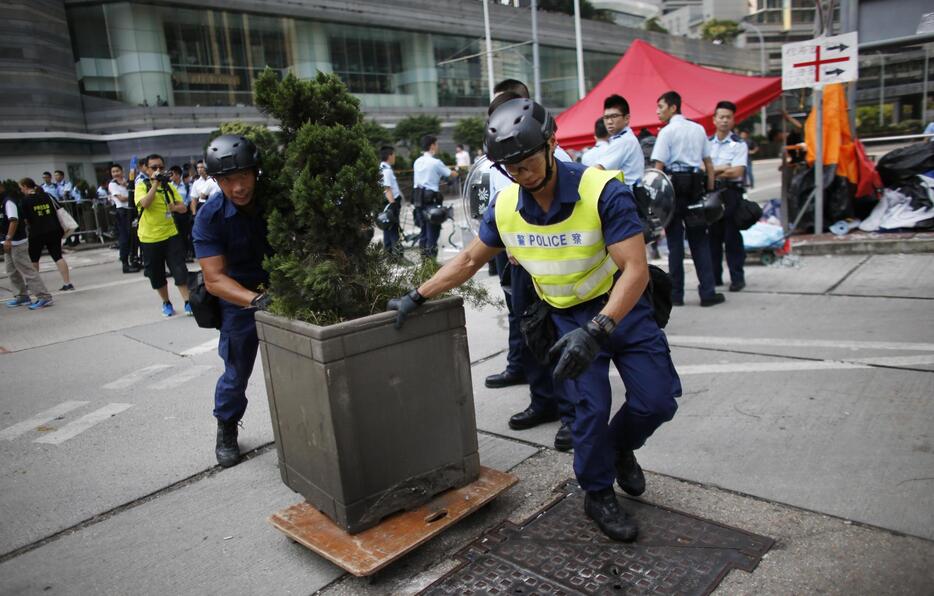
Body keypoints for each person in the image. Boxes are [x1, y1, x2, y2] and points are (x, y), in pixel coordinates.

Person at [388, 98, 681, 543]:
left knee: (657, 401)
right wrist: (415, 295)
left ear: (552, 144)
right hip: (565, 319)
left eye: (525, 163)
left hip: (622, 308)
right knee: (589, 409)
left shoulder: (603, 191)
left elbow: (636, 269)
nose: (519, 175)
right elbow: (469, 259)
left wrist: (598, 329)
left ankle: (619, 448)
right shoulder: (506, 206)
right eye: (509, 168)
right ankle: (597, 492)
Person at [485, 82, 574, 452]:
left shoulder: (556, 154)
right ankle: (543, 401)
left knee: (561, 337)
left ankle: (572, 414)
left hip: (554, 261)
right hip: (516, 260)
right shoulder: (494, 158)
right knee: (530, 331)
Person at [192, 135, 273, 468]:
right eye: (227, 180)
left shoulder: (278, 201)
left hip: (290, 285)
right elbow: (214, 279)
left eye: (243, 177)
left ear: (255, 173)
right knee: (236, 374)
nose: (237, 187)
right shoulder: (209, 218)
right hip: (241, 298)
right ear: (216, 181)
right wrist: (257, 300)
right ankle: (226, 427)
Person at [651, 91, 724, 307]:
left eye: (661, 107)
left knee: (674, 245)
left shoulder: (666, 132)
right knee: (699, 242)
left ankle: (676, 295)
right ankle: (708, 293)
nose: (658, 111)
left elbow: (658, 169)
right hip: (695, 188)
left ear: (673, 108)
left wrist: (657, 201)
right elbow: (709, 165)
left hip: (674, 189)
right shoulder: (699, 129)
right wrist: (708, 192)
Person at [135, 154, 192, 317]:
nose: (158, 170)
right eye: (154, 167)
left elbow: (183, 207)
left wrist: (173, 208)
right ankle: (166, 302)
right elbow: (144, 203)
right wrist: (154, 185)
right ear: (146, 169)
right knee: (156, 274)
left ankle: (188, 302)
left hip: (171, 235)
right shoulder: (142, 185)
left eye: (160, 167)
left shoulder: (169, 186)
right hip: (149, 237)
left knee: (179, 269)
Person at [707, 101, 748, 292]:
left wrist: (713, 171)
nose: (724, 120)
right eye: (721, 117)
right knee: (713, 237)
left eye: (728, 117)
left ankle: (737, 278)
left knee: (732, 237)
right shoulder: (706, 143)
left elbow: (737, 172)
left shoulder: (739, 144)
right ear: (714, 119)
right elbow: (701, 169)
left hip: (731, 194)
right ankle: (715, 277)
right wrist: (723, 168)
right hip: (711, 193)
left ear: (733, 120)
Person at [3, 181, 53, 310]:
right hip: (8, 242)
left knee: (27, 270)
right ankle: (22, 296)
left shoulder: (8, 202)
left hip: (17, 242)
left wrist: (8, 238)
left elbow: (13, 221)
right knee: (11, 271)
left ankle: (44, 297)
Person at [19, 178, 74, 291]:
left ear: (25, 186)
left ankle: (34, 285)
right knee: (58, 256)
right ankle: (67, 283)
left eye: (21, 188)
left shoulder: (25, 201)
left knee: (34, 259)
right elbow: (59, 209)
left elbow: (24, 219)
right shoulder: (47, 196)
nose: (21, 190)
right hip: (54, 230)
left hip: (37, 232)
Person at [412, 135, 457, 258]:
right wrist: (456, 172)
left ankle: (424, 261)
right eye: (436, 144)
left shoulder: (417, 162)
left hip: (418, 200)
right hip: (431, 200)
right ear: (432, 145)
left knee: (424, 231)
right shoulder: (436, 162)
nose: (437, 147)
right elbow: (450, 174)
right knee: (433, 231)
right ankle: (431, 261)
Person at [591, 95, 644, 187]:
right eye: (606, 117)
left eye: (614, 116)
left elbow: (598, 169)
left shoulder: (623, 141)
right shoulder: (626, 137)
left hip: (627, 195)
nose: (609, 122)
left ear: (626, 118)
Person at [109, 164, 140, 273]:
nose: (116, 173)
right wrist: (132, 195)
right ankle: (125, 264)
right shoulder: (113, 184)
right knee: (124, 239)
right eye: (113, 172)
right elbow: (122, 199)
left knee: (134, 237)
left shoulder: (128, 182)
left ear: (122, 171)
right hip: (122, 212)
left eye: (117, 171)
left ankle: (135, 260)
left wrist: (127, 186)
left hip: (131, 211)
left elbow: (137, 193)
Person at [379, 145, 402, 256]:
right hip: (390, 202)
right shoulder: (386, 171)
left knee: (387, 228)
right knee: (393, 229)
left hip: (386, 202)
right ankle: (398, 255)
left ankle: (388, 254)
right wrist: (393, 204)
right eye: (394, 155)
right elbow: (387, 189)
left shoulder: (383, 168)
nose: (395, 157)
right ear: (389, 156)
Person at [170, 165, 195, 262]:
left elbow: (189, 199)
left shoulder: (187, 186)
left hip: (184, 214)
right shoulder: (169, 186)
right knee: (175, 236)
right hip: (173, 214)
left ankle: (186, 254)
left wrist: (182, 206)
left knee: (184, 234)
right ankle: (177, 255)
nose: (170, 176)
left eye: (172, 174)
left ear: (177, 175)